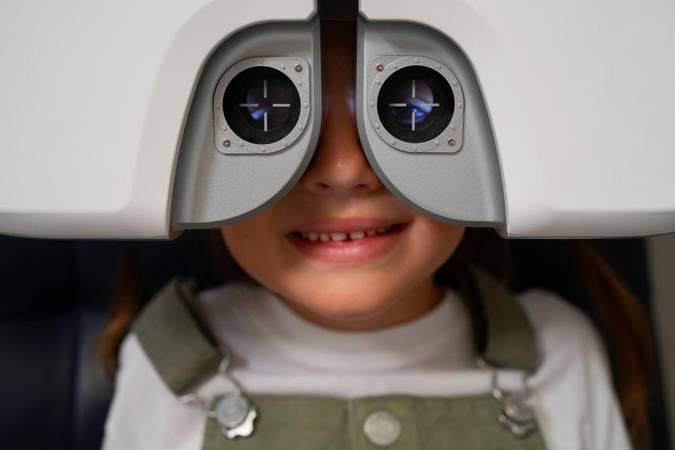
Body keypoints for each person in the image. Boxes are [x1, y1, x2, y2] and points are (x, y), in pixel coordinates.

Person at [100, 19, 653, 450]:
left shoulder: (556, 352)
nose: (344, 171)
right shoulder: (165, 361)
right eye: (263, 114)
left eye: (414, 110)